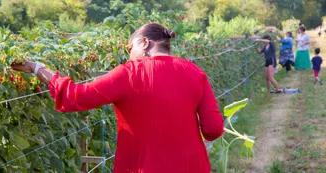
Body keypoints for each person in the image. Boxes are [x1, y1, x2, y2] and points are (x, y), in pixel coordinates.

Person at [11, 23, 224, 173]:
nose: (129, 55)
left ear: (144, 42)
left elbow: (74, 96)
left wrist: (37, 68)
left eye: (130, 48)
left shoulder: (129, 73)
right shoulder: (195, 73)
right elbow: (213, 129)